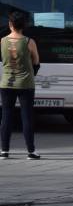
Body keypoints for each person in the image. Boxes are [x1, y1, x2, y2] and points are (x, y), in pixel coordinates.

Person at [0, 10, 41, 160]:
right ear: (23, 26)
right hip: (25, 84)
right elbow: (36, 61)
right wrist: (31, 73)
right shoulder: (29, 42)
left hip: (6, 83)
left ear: (10, 24)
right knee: (27, 117)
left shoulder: (2, 41)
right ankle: (31, 151)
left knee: (6, 116)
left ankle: (4, 150)